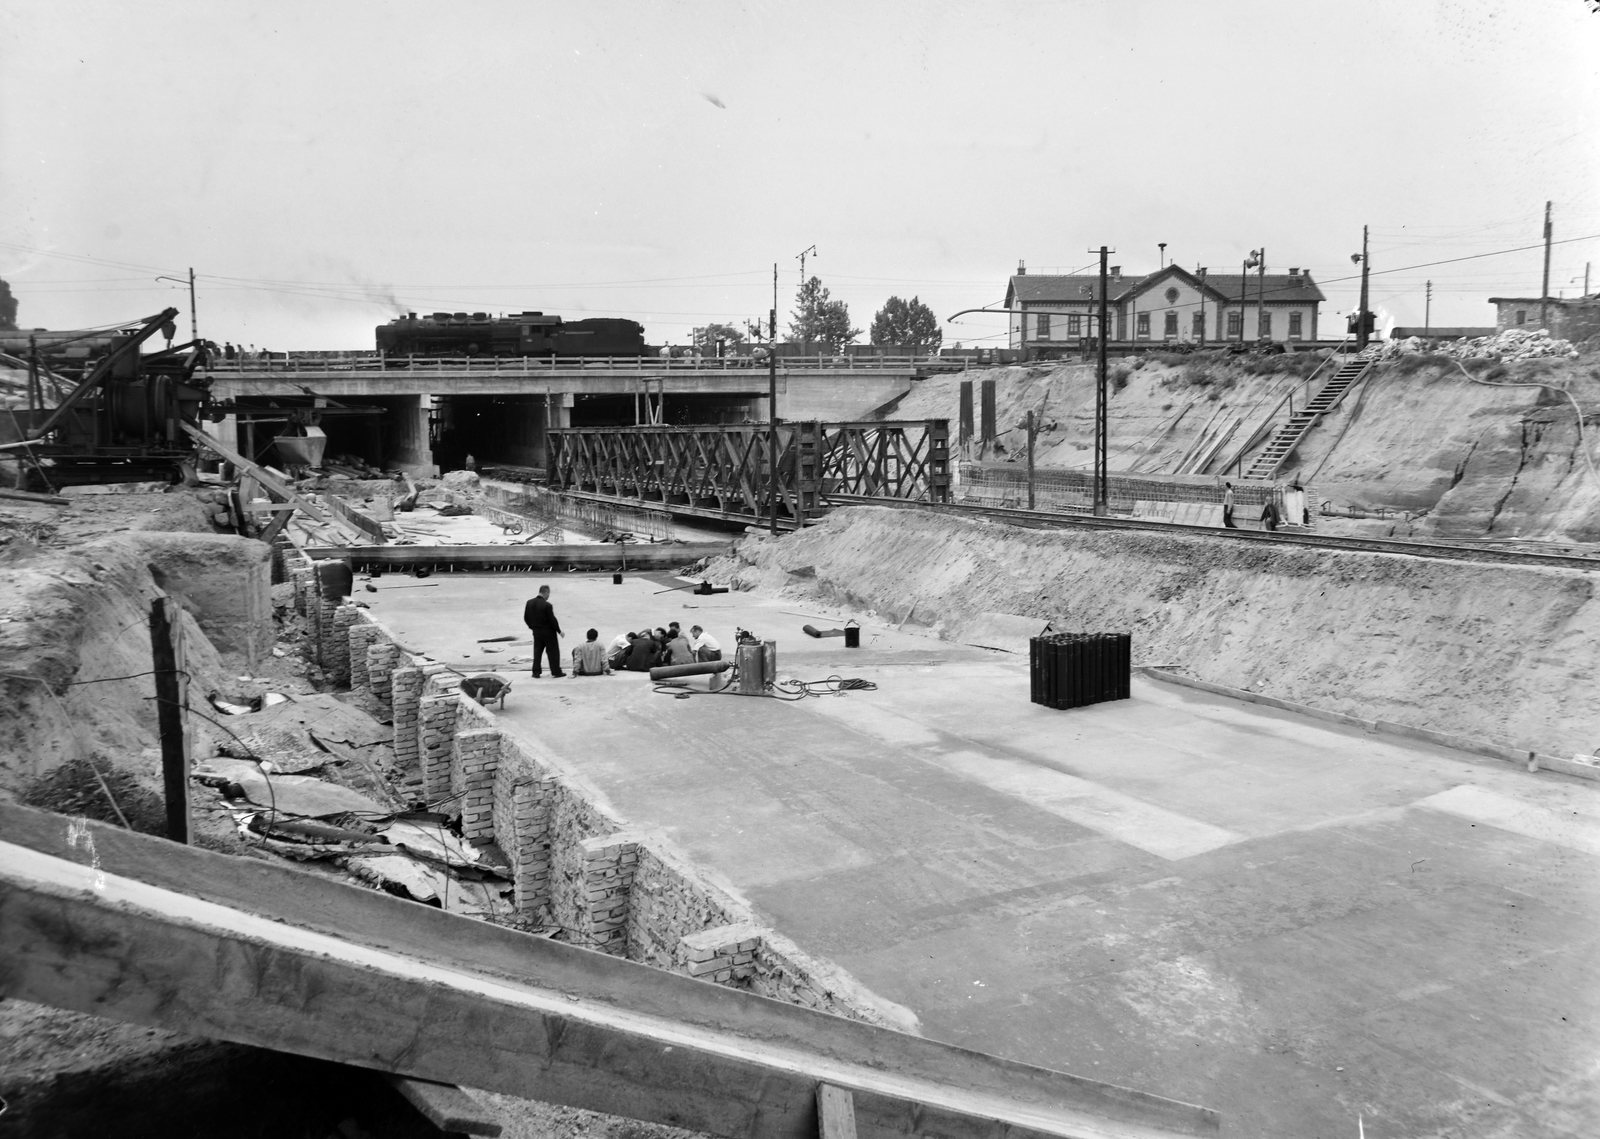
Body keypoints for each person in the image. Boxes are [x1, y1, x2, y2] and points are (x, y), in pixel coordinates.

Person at [523, 584, 564, 677]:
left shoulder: (529, 603)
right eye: (548, 594)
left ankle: (536, 672)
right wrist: (559, 631)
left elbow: (526, 617)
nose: (548, 596)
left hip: (536, 632)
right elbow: (552, 620)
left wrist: (532, 627)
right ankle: (556, 671)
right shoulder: (547, 605)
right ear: (546, 592)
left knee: (537, 651)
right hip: (548, 632)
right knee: (552, 652)